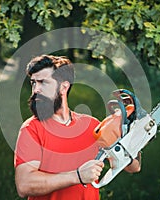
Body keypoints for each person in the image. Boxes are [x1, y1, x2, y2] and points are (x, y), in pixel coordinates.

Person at [14, 55, 141, 199]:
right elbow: (24, 185)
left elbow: (133, 167)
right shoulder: (31, 129)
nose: (36, 89)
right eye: (33, 83)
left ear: (64, 86)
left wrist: (130, 135)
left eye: (43, 82)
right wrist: (77, 176)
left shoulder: (92, 126)